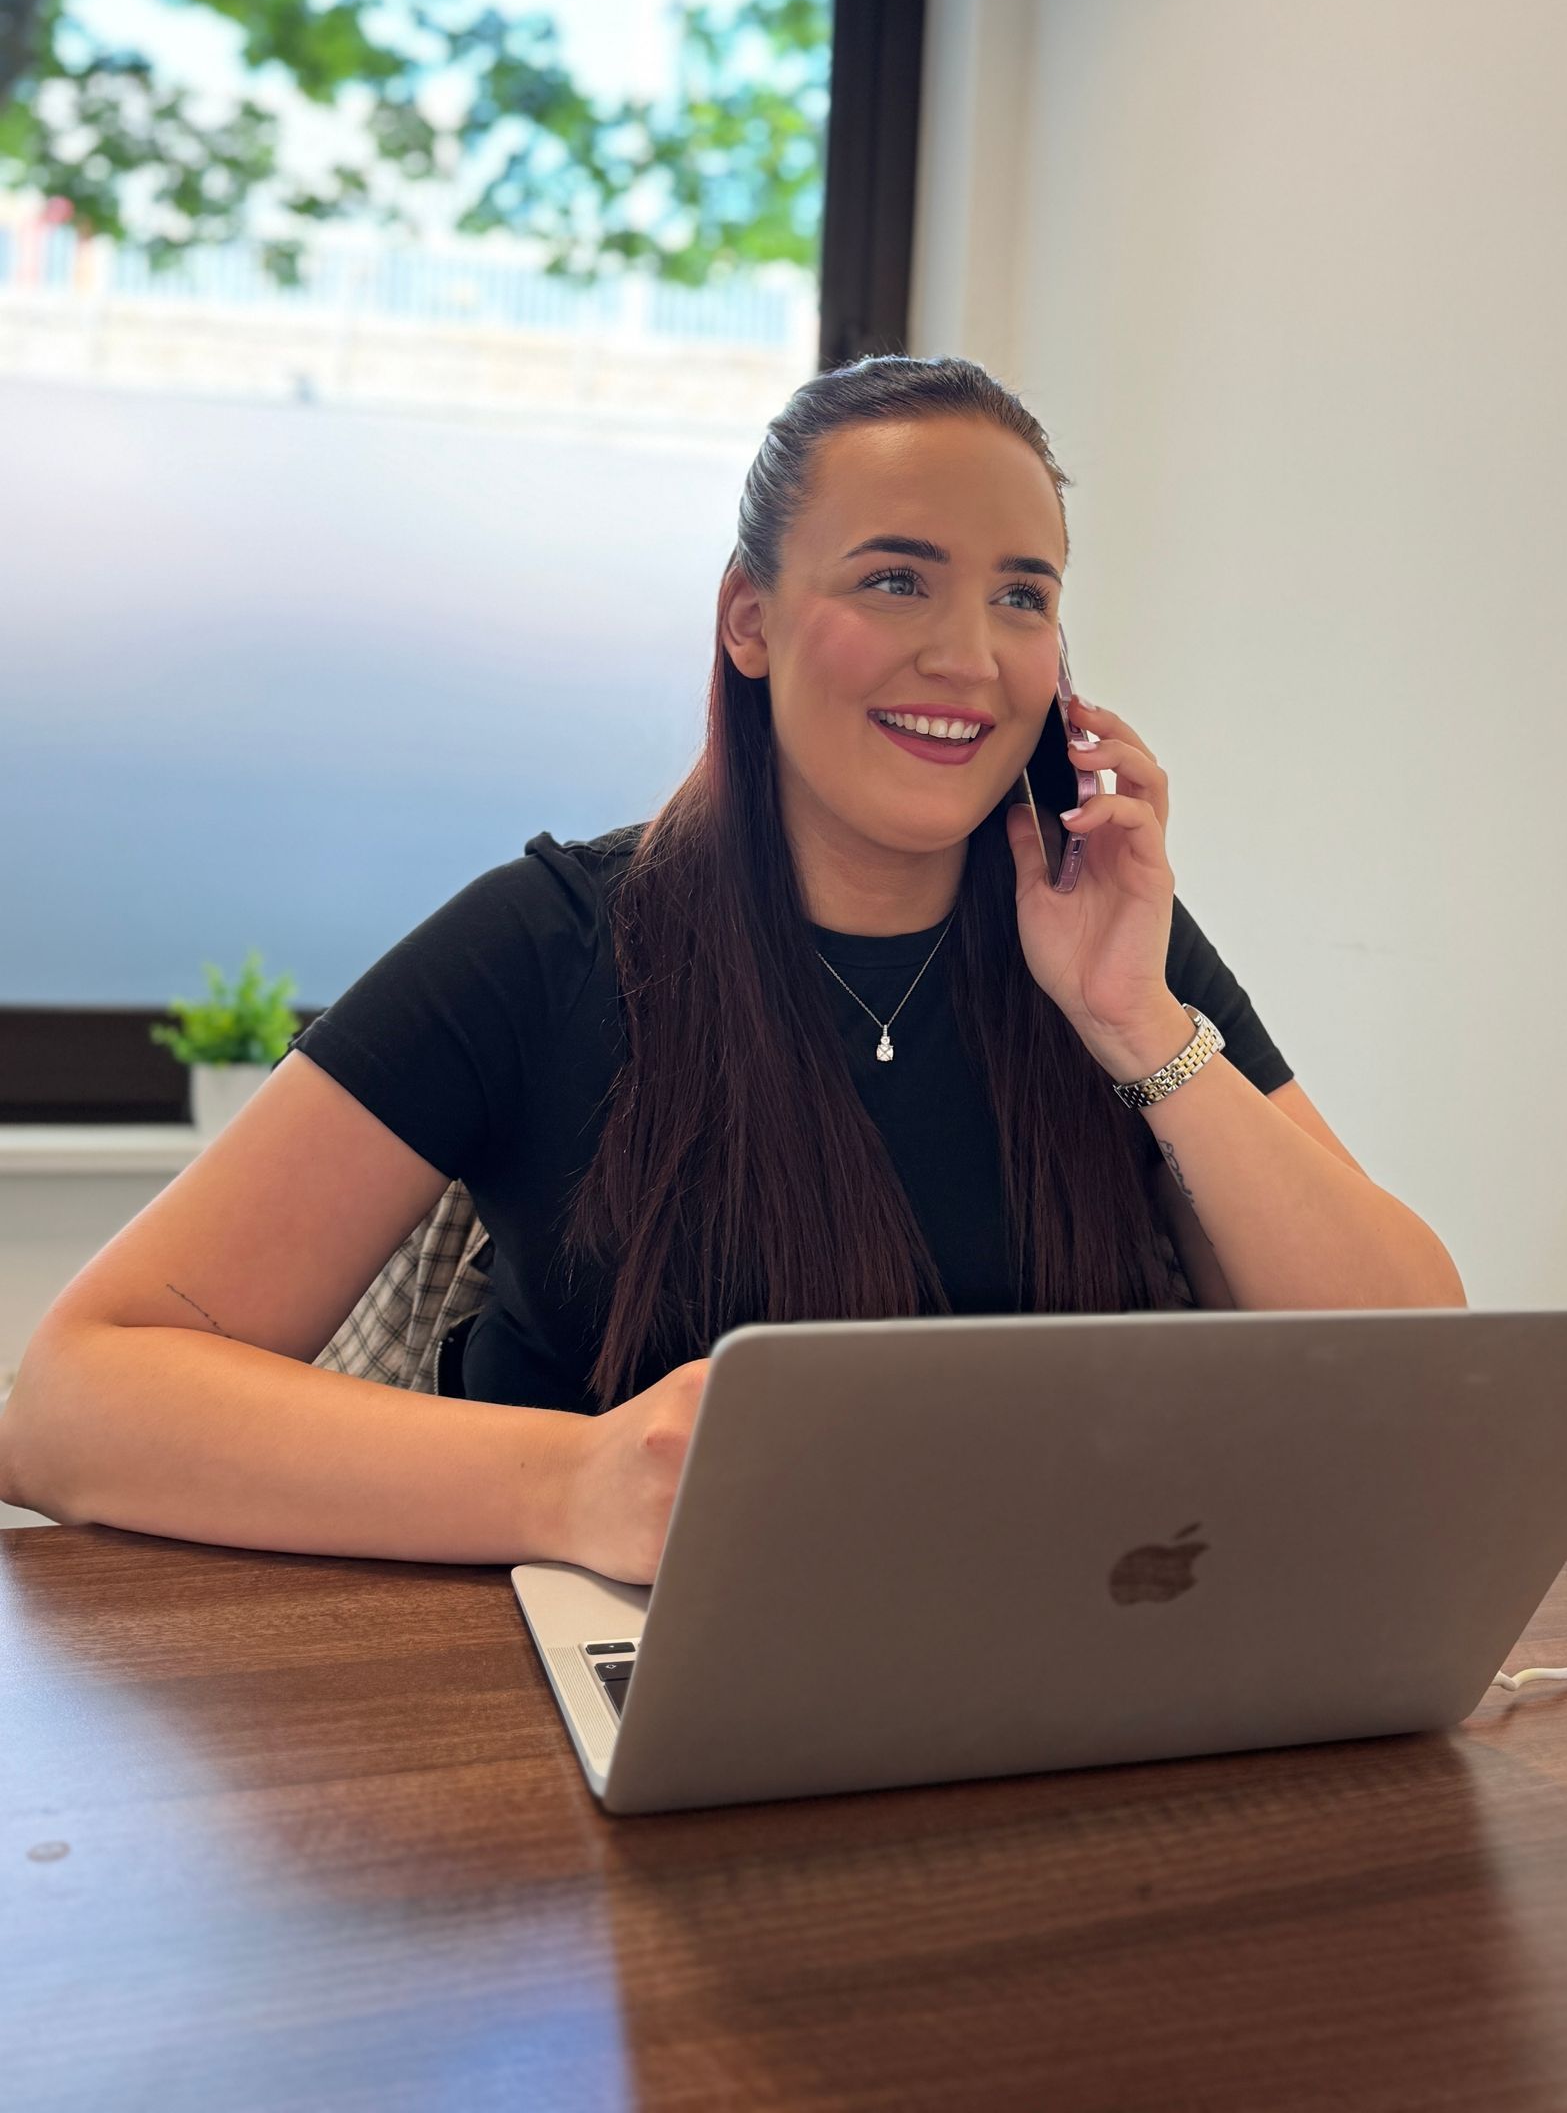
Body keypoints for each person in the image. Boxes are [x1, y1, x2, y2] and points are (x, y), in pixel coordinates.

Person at [0, 354, 1464, 1578]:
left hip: (1037, 1691)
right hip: (606, 1744)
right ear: (748, 621)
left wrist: (1135, 1018)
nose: (973, 654)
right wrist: (569, 1484)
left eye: (1025, 595)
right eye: (897, 580)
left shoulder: (1103, 934)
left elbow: (1421, 1381)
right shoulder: (549, 940)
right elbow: (71, 1402)